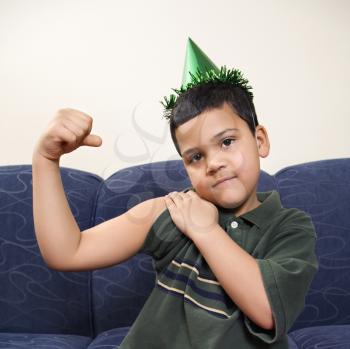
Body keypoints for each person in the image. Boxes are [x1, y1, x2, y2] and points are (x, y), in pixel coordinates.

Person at [32, 38, 318, 349]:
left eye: (226, 142)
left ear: (259, 140)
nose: (214, 163)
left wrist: (205, 230)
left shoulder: (291, 227)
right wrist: (46, 160)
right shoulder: (171, 211)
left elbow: (267, 311)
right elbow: (67, 251)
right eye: (196, 157)